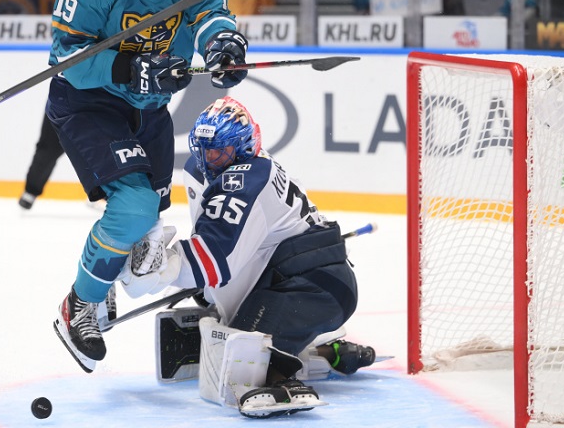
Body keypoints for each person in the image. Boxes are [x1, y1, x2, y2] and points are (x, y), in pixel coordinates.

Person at [48, 0, 250, 373]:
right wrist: (129, 67)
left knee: (149, 226)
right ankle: (80, 303)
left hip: (150, 108)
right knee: (135, 207)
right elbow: (66, 56)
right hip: (91, 102)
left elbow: (210, 13)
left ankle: (104, 277)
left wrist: (223, 44)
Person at [116, 96, 377, 418]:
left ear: (242, 147)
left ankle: (283, 374)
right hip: (305, 281)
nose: (210, 159)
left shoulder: (244, 179)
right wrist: (198, 281)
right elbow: (220, 251)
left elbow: (214, 259)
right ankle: (325, 349)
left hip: (314, 288)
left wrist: (165, 268)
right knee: (229, 329)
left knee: (241, 357)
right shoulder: (241, 166)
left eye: (219, 151)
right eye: (204, 150)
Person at [18, 111, 65, 209]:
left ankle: (98, 192)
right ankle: (31, 190)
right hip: (63, 104)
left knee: (95, 145)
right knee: (50, 146)